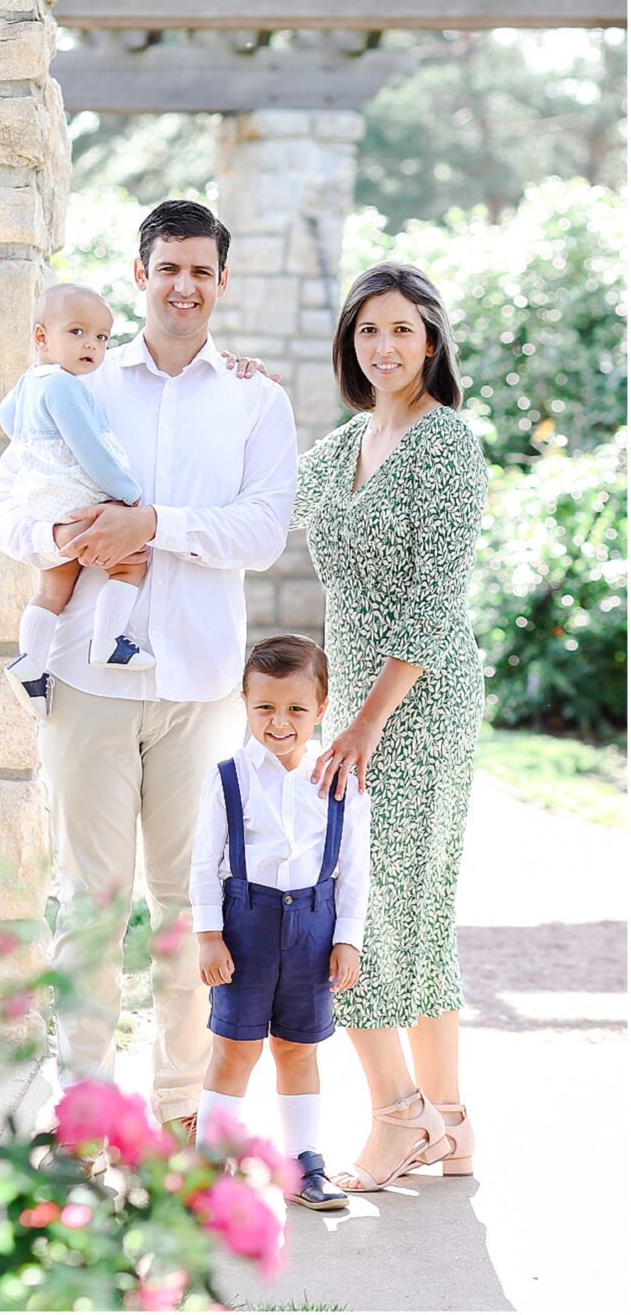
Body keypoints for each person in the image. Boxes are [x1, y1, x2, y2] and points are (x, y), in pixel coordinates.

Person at [0, 199, 298, 1134]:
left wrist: (154, 525)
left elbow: (264, 530)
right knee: (88, 899)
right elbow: (7, 509)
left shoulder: (254, 397)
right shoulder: (76, 377)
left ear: (221, 281)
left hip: (199, 687)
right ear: (139, 274)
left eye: (201, 270)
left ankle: (180, 1106)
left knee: (189, 904)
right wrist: (70, 539)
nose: (184, 286)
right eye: (168, 269)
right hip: (88, 679)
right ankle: (83, 1108)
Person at [290, 261, 488, 1191]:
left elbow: (430, 602)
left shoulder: (448, 447)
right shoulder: (335, 453)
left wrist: (364, 723)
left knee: (354, 907)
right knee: (406, 906)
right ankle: (448, 1122)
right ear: (349, 341)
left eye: (402, 330)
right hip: (356, 704)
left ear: (431, 341)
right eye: (368, 330)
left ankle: (396, 1116)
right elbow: (253, 506)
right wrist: (240, 392)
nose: (384, 347)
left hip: (419, 700)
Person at [190, 634, 370, 1210]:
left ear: (321, 710)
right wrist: (208, 934)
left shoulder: (341, 780)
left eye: (296, 708)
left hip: (315, 928)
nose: (280, 721)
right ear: (244, 703)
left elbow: (353, 872)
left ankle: (304, 1165)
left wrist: (347, 940)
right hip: (246, 924)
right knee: (234, 1048)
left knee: (299, 1049)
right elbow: (202, 862)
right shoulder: (227, 778)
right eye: (264, 706)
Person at [0, 281, 156, 720]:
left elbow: (5, 417)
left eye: (101, 337)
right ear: (41, 337)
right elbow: (90, 450)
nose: (92, 344)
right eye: (78, 332)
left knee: (54, 586)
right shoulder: (65, 387)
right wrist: (127, 494)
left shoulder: (31, 380)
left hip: (43, 501)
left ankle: (30, 662)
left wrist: (34, 449)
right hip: (78, 497)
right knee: (131, 561)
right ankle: (107, 642)